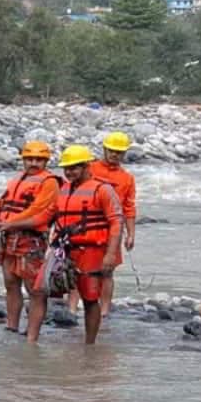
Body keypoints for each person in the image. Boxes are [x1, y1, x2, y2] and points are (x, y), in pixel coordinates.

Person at [0, 141, 61, 341]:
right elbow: (1, 202)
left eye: (38, 159)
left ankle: (32, 336)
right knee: (11, 283)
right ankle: (11, 327)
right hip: (9, 238)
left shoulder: (49, 182)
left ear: (45, 161)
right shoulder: (17, 179)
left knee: (34, 290)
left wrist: (8, 223)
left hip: (31, 241)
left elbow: (39, 212)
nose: (33, 163)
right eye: (29, 159)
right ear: (23, 160)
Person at [52, 145, 124, 345]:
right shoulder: (63, 189)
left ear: (86, 167)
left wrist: (110, 255)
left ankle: (89, 344)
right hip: (65, 250)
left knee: (91, 297)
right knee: (43, 289)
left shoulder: (103, 189)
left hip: (92, 251)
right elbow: (49, 215)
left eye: (74, 167)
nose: (69, 172)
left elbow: (116, 221)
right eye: (66, 168)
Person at [86, 131, 137, 317]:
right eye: (112, 150)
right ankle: (73, 308)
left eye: (119, 152)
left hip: (112, 230)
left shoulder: (127, 178)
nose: (115, 155)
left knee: (107, 272)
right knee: (80, 269)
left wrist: (131, 234)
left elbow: (129, 208)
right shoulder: (89, 168)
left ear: (124, 154)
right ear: (104, 149)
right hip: (86, 226)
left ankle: (104, 310)